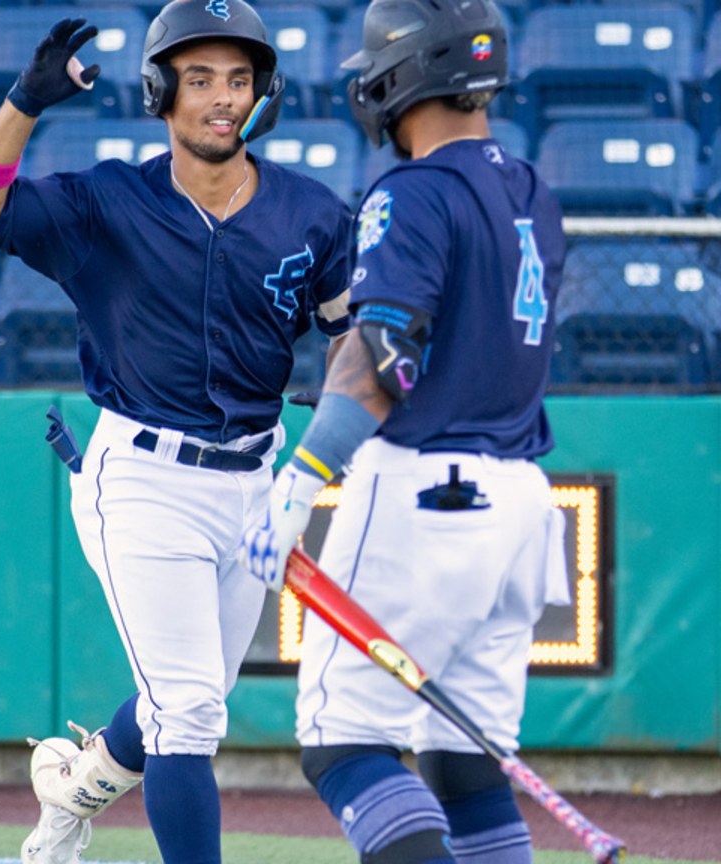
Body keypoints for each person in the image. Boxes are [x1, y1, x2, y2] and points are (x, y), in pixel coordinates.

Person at [0, 2, 355, 863]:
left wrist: (336, 424)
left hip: (257, 481)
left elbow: (349, 332)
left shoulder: (312, 214)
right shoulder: (105, 201)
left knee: (183, 697)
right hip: (142, 478)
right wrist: (25, 100)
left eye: (239, 80)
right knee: (194, 709)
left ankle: (74, 784)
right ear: (160, 91)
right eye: (198, 78)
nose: (221, 99)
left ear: (263, 93)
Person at [240, 0, 568, 862]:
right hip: (523, 507)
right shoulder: (533, 189)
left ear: (399, 77)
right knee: (464, 767)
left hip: (427, 495)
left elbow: (386, 348)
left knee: (344, 742)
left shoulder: (415, 192)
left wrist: (303, 477)